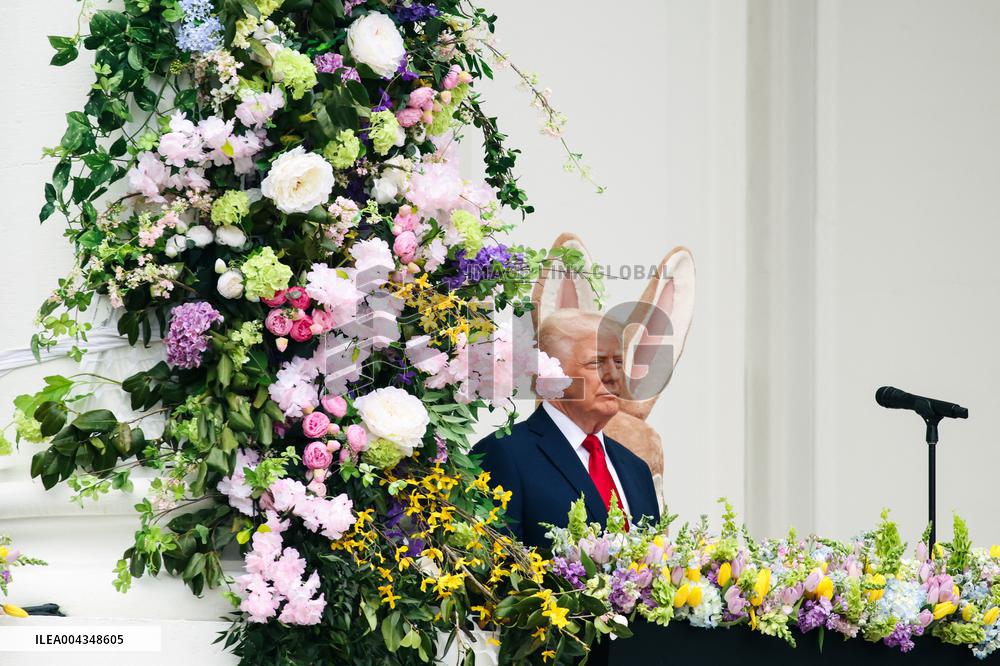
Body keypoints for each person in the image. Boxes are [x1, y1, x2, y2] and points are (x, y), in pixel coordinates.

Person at [471, 309, 660, 549]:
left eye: (619, 362)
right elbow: (490, 569)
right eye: (596, 362)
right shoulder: (504, 455)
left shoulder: (637, 469)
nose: (614, 375)